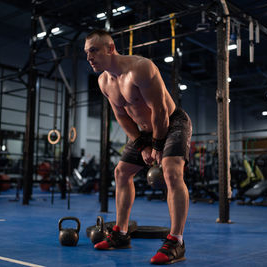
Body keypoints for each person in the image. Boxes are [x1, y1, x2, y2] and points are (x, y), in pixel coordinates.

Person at [84, 29, 192, 265]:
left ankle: (176, 241)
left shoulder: (141, 68)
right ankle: (121, 234)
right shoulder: (104, 81)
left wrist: (157, 145)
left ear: (110, 48)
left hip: (172, 123)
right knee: (121, 172)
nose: (89, 57)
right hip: (144, 131)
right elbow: (121, 116)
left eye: (94, 50)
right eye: (86, 53)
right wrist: (143, 144)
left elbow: (161, 111)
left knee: (171, 170)